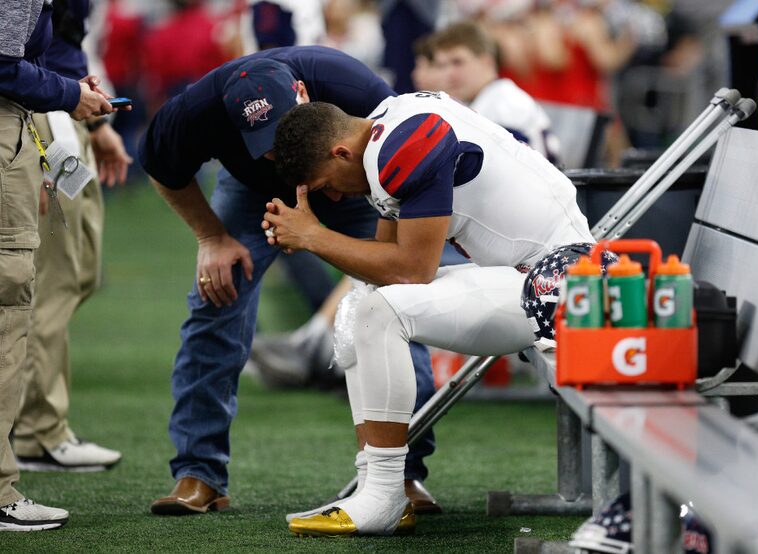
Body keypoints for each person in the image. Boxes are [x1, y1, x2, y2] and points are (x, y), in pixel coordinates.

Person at [264, 91, 595, 536]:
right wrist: (313, 237)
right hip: (532, 273)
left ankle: (384, 494)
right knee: (359, 305)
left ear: (340, 152)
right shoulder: (388, 123)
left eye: (327, 185)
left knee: (382, 311)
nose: (337, 197)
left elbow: (410, 271)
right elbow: (383, 265)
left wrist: (313, 237)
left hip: (560, 282)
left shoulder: (403, 143)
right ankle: (374, 485)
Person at [139, 46, 441, 516]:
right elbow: (160, 164)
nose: (280, 150)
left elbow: (406, 167)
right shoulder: (198, 110)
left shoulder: (355, 88)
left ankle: (404, 474)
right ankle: (198, 473)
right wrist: (211, 237)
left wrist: (374, 248)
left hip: (356, 179)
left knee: (397, 304)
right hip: (254, 191)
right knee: (216, 297)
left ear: (303, 95)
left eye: (283, 136)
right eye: (269, 143)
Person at [0, 0, 114, 531]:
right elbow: (2, 62)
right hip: (15, 119)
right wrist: (69, 95)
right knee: (13, 303)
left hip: (29, 120)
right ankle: (28, 447)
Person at [13, 0, 132, 474]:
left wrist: (97, 122)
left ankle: (35, 425)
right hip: (43, 110)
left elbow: (63, 40)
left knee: (78, 273)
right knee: (53, 280)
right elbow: (18, 55)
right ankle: (36, 430)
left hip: (63, 107)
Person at [431, 21, 561, 163]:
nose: (449, 74)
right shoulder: (494, 97)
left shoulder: (504, 106)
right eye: (442, 65)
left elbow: (516, 171)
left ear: (487, 62)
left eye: (458, 62)